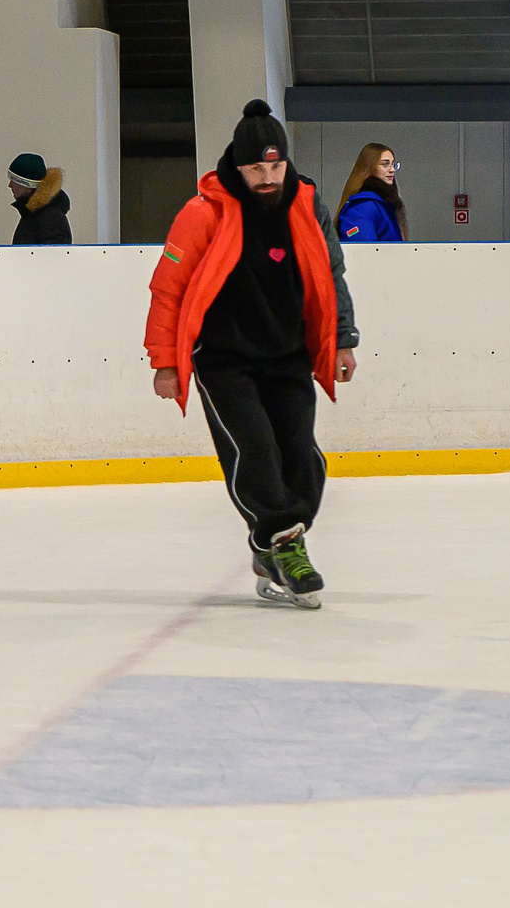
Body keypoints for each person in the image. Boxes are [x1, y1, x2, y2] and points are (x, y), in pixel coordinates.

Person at [144, 99, 361, 609]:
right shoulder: (204, 213)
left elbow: (332, 275)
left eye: (275, 165)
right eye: (255, 168)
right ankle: (285, 544)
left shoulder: (308, 206)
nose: (267, 177)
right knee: (257, 454)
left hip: (288, 354)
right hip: (224, 359)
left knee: (301, 458)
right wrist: (165, 363)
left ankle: (269, 547)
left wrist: (344, 338)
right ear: (236, 167)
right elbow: (167, 289)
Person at [335, 143, 407, 242]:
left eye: (393, 164)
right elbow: (364, 251)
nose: (392, 169)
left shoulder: (384, 204)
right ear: (369, 167)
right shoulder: (362, 207)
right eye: (385, 164)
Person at [8, 153, 72, 245]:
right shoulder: (33, 212)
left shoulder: (50, 217)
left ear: (27, 185)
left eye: (14, 181)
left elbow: (56, 255)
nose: (10, 185)